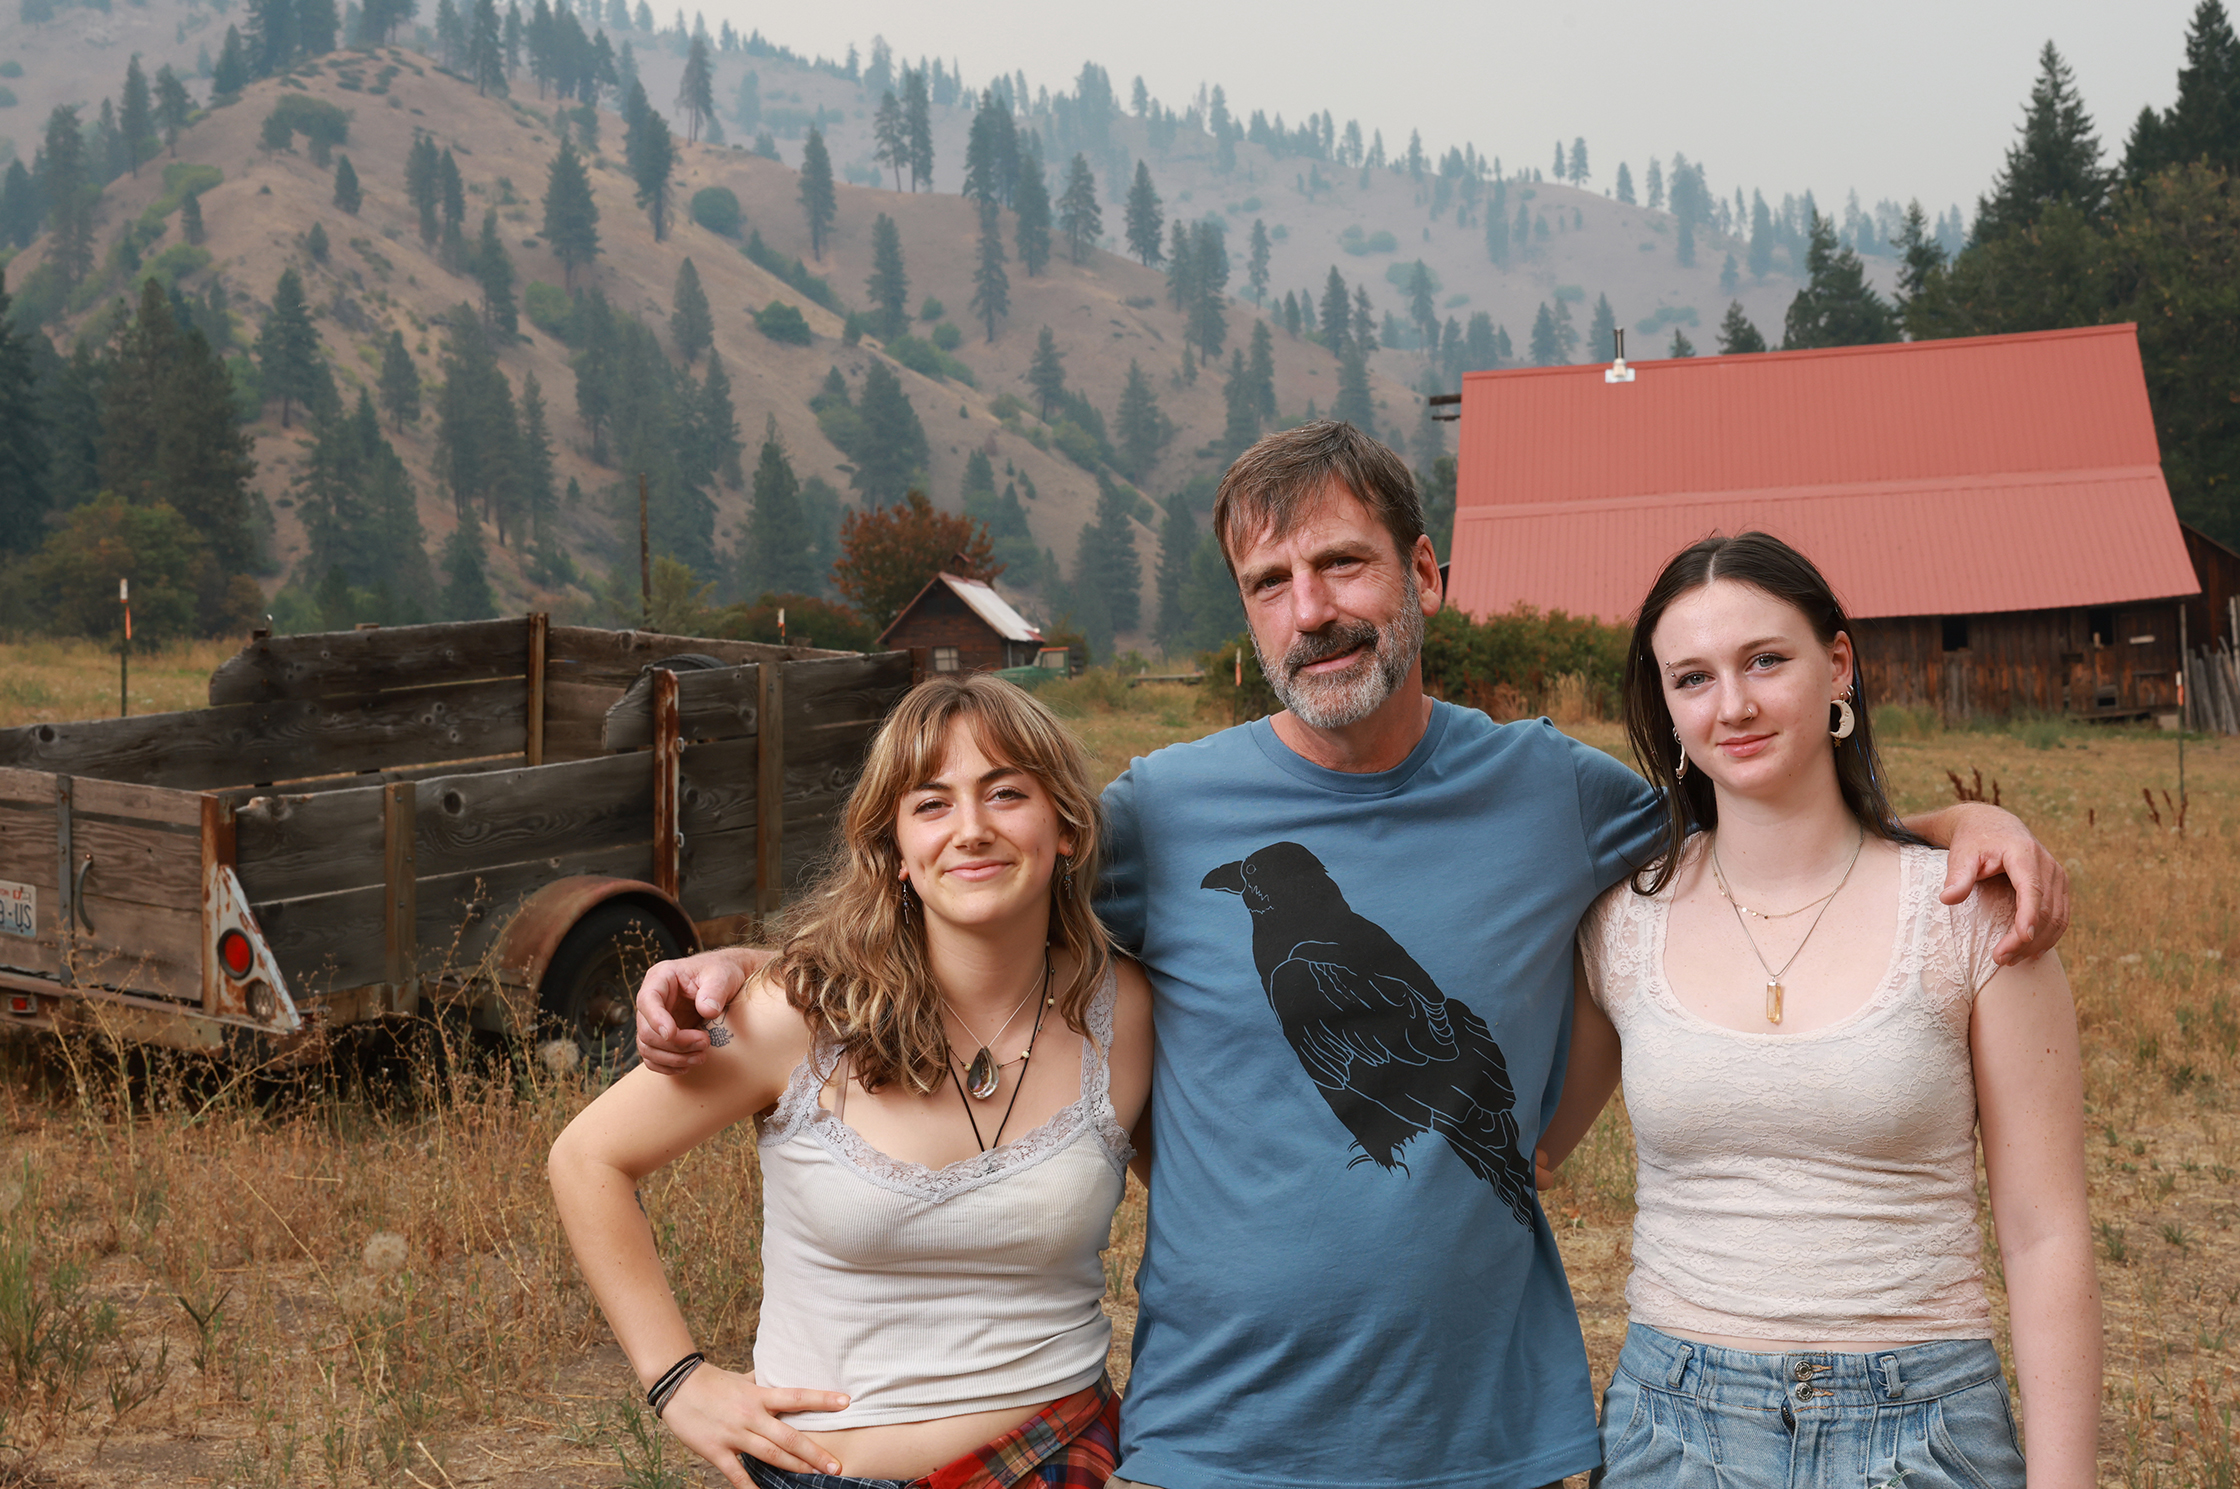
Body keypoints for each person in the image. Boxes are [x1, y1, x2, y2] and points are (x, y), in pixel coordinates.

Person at [638, 423, 2070, 1489]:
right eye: (1271, 581)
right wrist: (757, 963)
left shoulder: (1555, 792)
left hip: (1488, 1430)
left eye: (1343, 563)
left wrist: (1950, 827)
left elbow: (1759, 804)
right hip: (1220, 1430)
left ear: (1424, 572)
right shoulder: (1158, 812)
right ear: (1246, 612)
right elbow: (973, 890)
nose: (1311, 607)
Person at [1535, 533, 2098, 1489]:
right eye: (1693, 678)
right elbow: (1527, 1154)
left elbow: (2046, 1234)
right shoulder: (1619, 927)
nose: (1736, 704)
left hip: (1924, 1426)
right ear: (1667, 708)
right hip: (1675, 1427)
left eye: (1766, 659)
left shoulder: (1971, 914)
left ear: (1839, 664)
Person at [550, 673, 1153, 1489]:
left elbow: (1218, 1212)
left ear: (1067, 826)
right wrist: (677, 1381)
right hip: (826, 1473)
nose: (970, 830)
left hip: (1059, 1456)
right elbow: (588, 1160)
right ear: (897, 852)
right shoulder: (797, 1013)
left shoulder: (1127, 1014)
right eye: (932, 804)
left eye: (1005, 793)